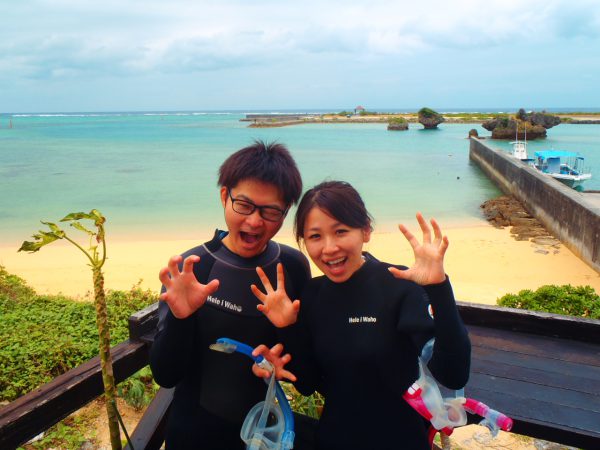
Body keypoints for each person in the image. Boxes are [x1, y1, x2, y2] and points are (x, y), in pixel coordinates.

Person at [252, 180, 471, 450]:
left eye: (341, 231)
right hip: (335, 439)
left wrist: (439, 288)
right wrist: (287, 328)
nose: (329, 248)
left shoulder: (398, 287)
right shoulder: (312, 295)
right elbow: (309, 383)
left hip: (401, 439)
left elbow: (453, 374)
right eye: (315, 236)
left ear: (365, 230)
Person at [149, 140, 311, 450]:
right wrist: (181, 318)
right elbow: (166, 375)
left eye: (270, 211)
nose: (254, 221)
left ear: (285, 213)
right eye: (244, 205)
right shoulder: (193, 268)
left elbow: (304, 376)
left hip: (261, 434)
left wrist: (288, 338)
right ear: (225, 196)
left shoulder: (292, 268)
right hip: (193, 434)